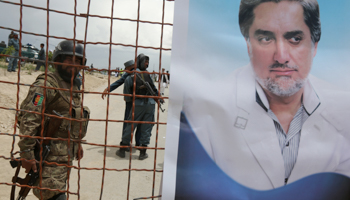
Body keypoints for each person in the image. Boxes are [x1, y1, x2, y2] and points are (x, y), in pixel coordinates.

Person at [181, 0, 350, 190]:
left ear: (315, 45)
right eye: (265, 39)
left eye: (294, 39)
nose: (281, 56)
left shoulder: (345, 112)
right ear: (248, 44)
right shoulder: (203, 109)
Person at [17, 40, 90, 200]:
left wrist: (77, 143)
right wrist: (27, 153)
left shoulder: (73, 85)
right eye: (69, 60)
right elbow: (29, 118)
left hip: (65, 154)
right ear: (58, 60)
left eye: (77, 61)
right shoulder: (46, 84)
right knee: (53, 195)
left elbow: (73, 117)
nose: (74, 64)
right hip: (47, 154)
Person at [116, 53, 160, 160]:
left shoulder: (131, 76)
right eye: (146, 62)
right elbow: (155, 90)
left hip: (138, 104)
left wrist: (132, 100)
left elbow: (127, 96)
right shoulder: (148, 74)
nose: (147, 64)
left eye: (147, 62)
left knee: (130, 126)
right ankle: (142, 152)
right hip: (150, 104)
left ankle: (122, 149)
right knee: (146, 128)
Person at [101, 60, 143, 148]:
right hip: (142, 102)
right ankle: (139, 145)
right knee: (140, 123)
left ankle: (125, 144)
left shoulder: (129, 74)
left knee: (127, 122)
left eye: (126, 68)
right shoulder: (142, 73)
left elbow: (119, 82)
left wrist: (108, 88)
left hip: (130, 102)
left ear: (128, 68)